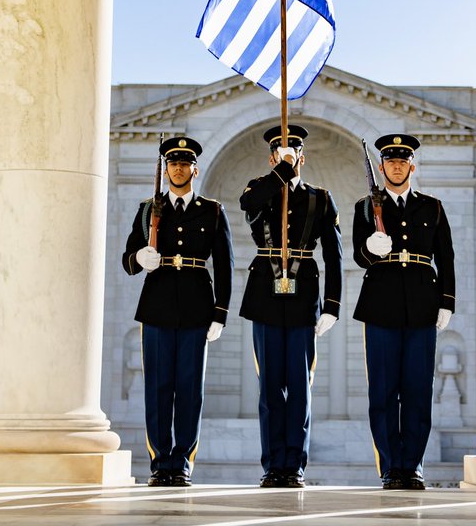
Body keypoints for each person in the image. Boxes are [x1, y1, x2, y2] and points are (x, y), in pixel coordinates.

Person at [122, 136, 233, 487]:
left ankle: (182, 460)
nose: (179, 168)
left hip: (197, 308)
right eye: (173, 163)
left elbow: (226, 267)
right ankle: (160, 461)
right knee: (158, 388)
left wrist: (220, 313)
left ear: (195, 170)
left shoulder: (212, 210)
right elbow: (128, 259)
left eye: (185, 163)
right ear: (166, 168)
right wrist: (140, 257)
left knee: (189, 389)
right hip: (156, 307)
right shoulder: (148, 210)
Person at [239, 124, 342, 488]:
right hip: (265, 297)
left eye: (293, 152)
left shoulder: (319, 198)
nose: (287, 156)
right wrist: (280, 173)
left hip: (303, 299)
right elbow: (248, 205)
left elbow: (334, 253)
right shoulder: (259, 189)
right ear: (271, 158)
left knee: (299, 386)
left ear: (303, 155)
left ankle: (294, 465)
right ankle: (272, 464)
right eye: (280, 152)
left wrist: (332, 305)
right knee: (269, 388)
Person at [352, 133, 455, 490]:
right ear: (381, 167)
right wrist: (370, 247)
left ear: (412, 165)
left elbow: (446, 257)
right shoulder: (366, 207)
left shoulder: (432, 207)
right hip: (380, 306)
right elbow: (357, 256)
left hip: (423, 305)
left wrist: (447, 301)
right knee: (382, 391)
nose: (396, 166)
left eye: (402, 160)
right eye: (390, 161)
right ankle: (390, 466)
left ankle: (412, 465)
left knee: (416, 391)